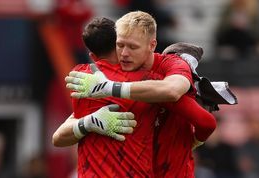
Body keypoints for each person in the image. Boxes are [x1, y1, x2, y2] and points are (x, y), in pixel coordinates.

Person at [60, 11, 216, 177]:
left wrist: (192, 142)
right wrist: (88, 122)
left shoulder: (166, 69)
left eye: (133, 47)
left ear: (152, 45)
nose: (125, 53)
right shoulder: (100, 82)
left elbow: (173, 92)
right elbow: (58, 137)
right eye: (120, 45)